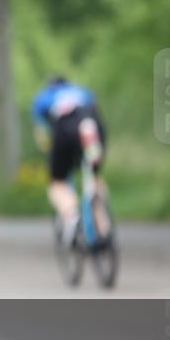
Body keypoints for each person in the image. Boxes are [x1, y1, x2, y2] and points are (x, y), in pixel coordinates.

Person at [31, 76, 109, 246]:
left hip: (64, 129)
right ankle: (103, 227)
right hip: (92, 126)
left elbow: (42, 134)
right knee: (94, 174)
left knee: (57, 183)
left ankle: (72, 217)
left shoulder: (44, 98)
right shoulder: (82, 92)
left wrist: (49, 150)